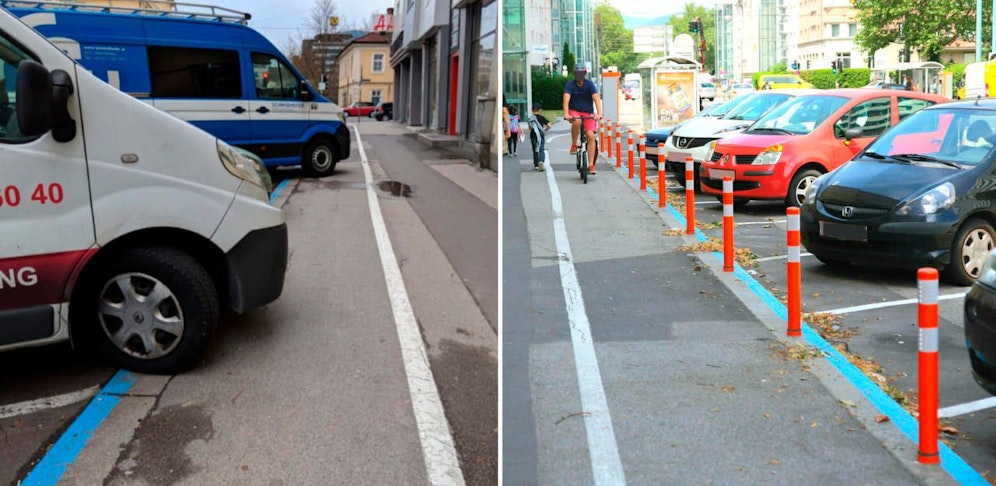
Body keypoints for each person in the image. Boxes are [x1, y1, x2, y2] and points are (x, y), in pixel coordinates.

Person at [563, 62, 603, 174]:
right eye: (577, 73)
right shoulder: (570, 84)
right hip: (574, 110)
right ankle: (574, 144)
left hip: (588, 112)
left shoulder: (589, 84)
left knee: (591, 136)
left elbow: (596, 99)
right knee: (577, 121)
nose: (579, 75)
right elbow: (566, 99)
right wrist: (566, 114)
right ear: (574, 74)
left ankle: (591, 165)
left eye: (581, 73)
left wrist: (599, 114)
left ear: (585, 73)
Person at [528, 101, 552, 171]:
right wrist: (545, 129)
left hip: (533, 135)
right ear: (540, 110)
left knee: (535, 149)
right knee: (541, 148)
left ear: (531, 110)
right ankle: (541, 161)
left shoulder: (530, 118)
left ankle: (536, 165)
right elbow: (549, 125)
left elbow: (530, 128)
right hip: (540, 135)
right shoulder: (542, 118)